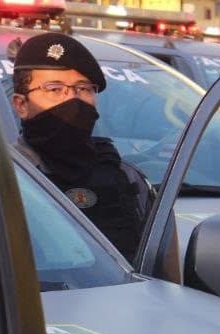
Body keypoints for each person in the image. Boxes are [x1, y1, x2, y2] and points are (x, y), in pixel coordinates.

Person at [9, 33, 152, 260]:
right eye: (55, 89)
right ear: (21, 105)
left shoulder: (128, 180)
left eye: (83, 88)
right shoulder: (1, 180)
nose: (72, 100)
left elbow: (163, 278)